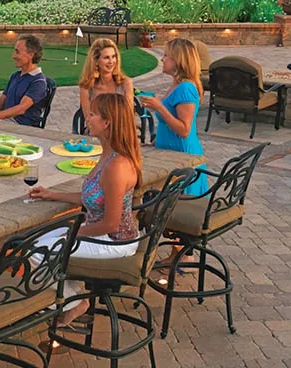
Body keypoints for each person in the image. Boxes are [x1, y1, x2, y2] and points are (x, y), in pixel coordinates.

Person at [28, 93, 142, 326]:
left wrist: (73, 233)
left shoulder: (116, 167)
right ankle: (69, 296)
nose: (87, 119)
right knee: (32, 240)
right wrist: (52, 195)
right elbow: (95, 198)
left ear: (107, 123)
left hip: (114, 241)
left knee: (38, 251)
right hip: (102, 232)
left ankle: (73, 302)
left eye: (92, 115)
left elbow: (110, 223)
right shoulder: (108, 155)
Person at [138, 38, 207, 270]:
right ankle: (178, 254)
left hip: (183, 156)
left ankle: (184, 257)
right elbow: (171, 126)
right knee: (170, 205)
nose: (162, 59)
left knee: (175, 207)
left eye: (166, 55)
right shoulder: (178, 85)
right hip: (169, 152)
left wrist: (158, 107)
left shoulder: (186, 88)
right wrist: (156, 142)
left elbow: (184, 129)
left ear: (178, 60)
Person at [0, 35, 48, 127]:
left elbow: (21, 109)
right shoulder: (16, 76)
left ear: (31, 54)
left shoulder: (38, 82)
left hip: (22, 127)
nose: (13, 56)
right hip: (6, 122)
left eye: (17, 52)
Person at [79, 38, 134, 123]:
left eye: (113, 56)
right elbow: (89, 120)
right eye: (106, 58)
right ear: (96, 61)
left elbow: (128, 116)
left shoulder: (126, 83)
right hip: (95, 132)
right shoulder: (86, 87)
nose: (111, 61)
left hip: (121, 130)